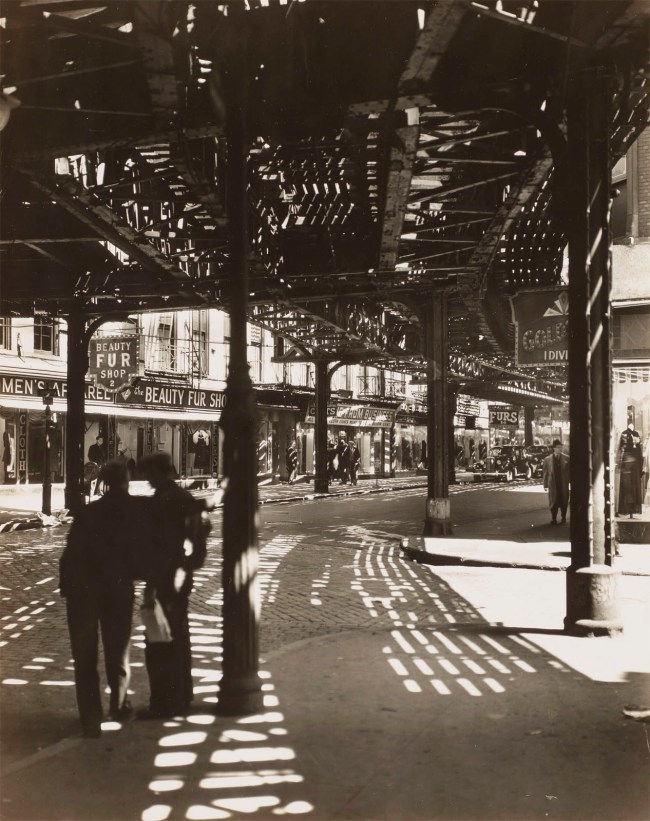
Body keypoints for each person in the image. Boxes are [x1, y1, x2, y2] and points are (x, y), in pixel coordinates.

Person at [59, 461, 143, 738]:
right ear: (126, 481)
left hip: (83, 591)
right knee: (118, 650)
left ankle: (90, 719)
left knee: (84, 656)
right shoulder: (135, 512)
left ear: (104, 483)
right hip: (117, 589)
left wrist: (67, 587)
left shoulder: (88, 512)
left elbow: (71, 553)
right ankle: (118, 707)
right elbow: (142, 555)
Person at [137, 452, 210, 719]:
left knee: (159, 641)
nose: (147, 480)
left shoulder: (162, 502)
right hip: (180, 576)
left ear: (158, 473)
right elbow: (199, 538)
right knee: (178, 637)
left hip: (163, 578)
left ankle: (165, 702)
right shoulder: (183, 498)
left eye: (149, 475)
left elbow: (151, 544)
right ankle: (182, 695)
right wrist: (188, 565)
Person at [617, 422, 643, 518]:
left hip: (634, 466)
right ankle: (627, 510)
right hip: (628, 466)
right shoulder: (624, 434)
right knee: (628, 488)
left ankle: (632, 511)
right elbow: (622, 450)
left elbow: (639, 452)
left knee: (632, 487)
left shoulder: (636, 434)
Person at [542, 439, 570, 525]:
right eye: (558, 447)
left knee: (564, 501)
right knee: (553, 502)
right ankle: (553, 519)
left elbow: (570, 472)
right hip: (553, 485)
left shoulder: (567, 458)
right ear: (554, 448)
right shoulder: (547, 459)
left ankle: (563, 518)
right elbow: (545, 473)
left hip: (563, 484)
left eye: (561, 447)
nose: (560, 449)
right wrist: (545, 485)